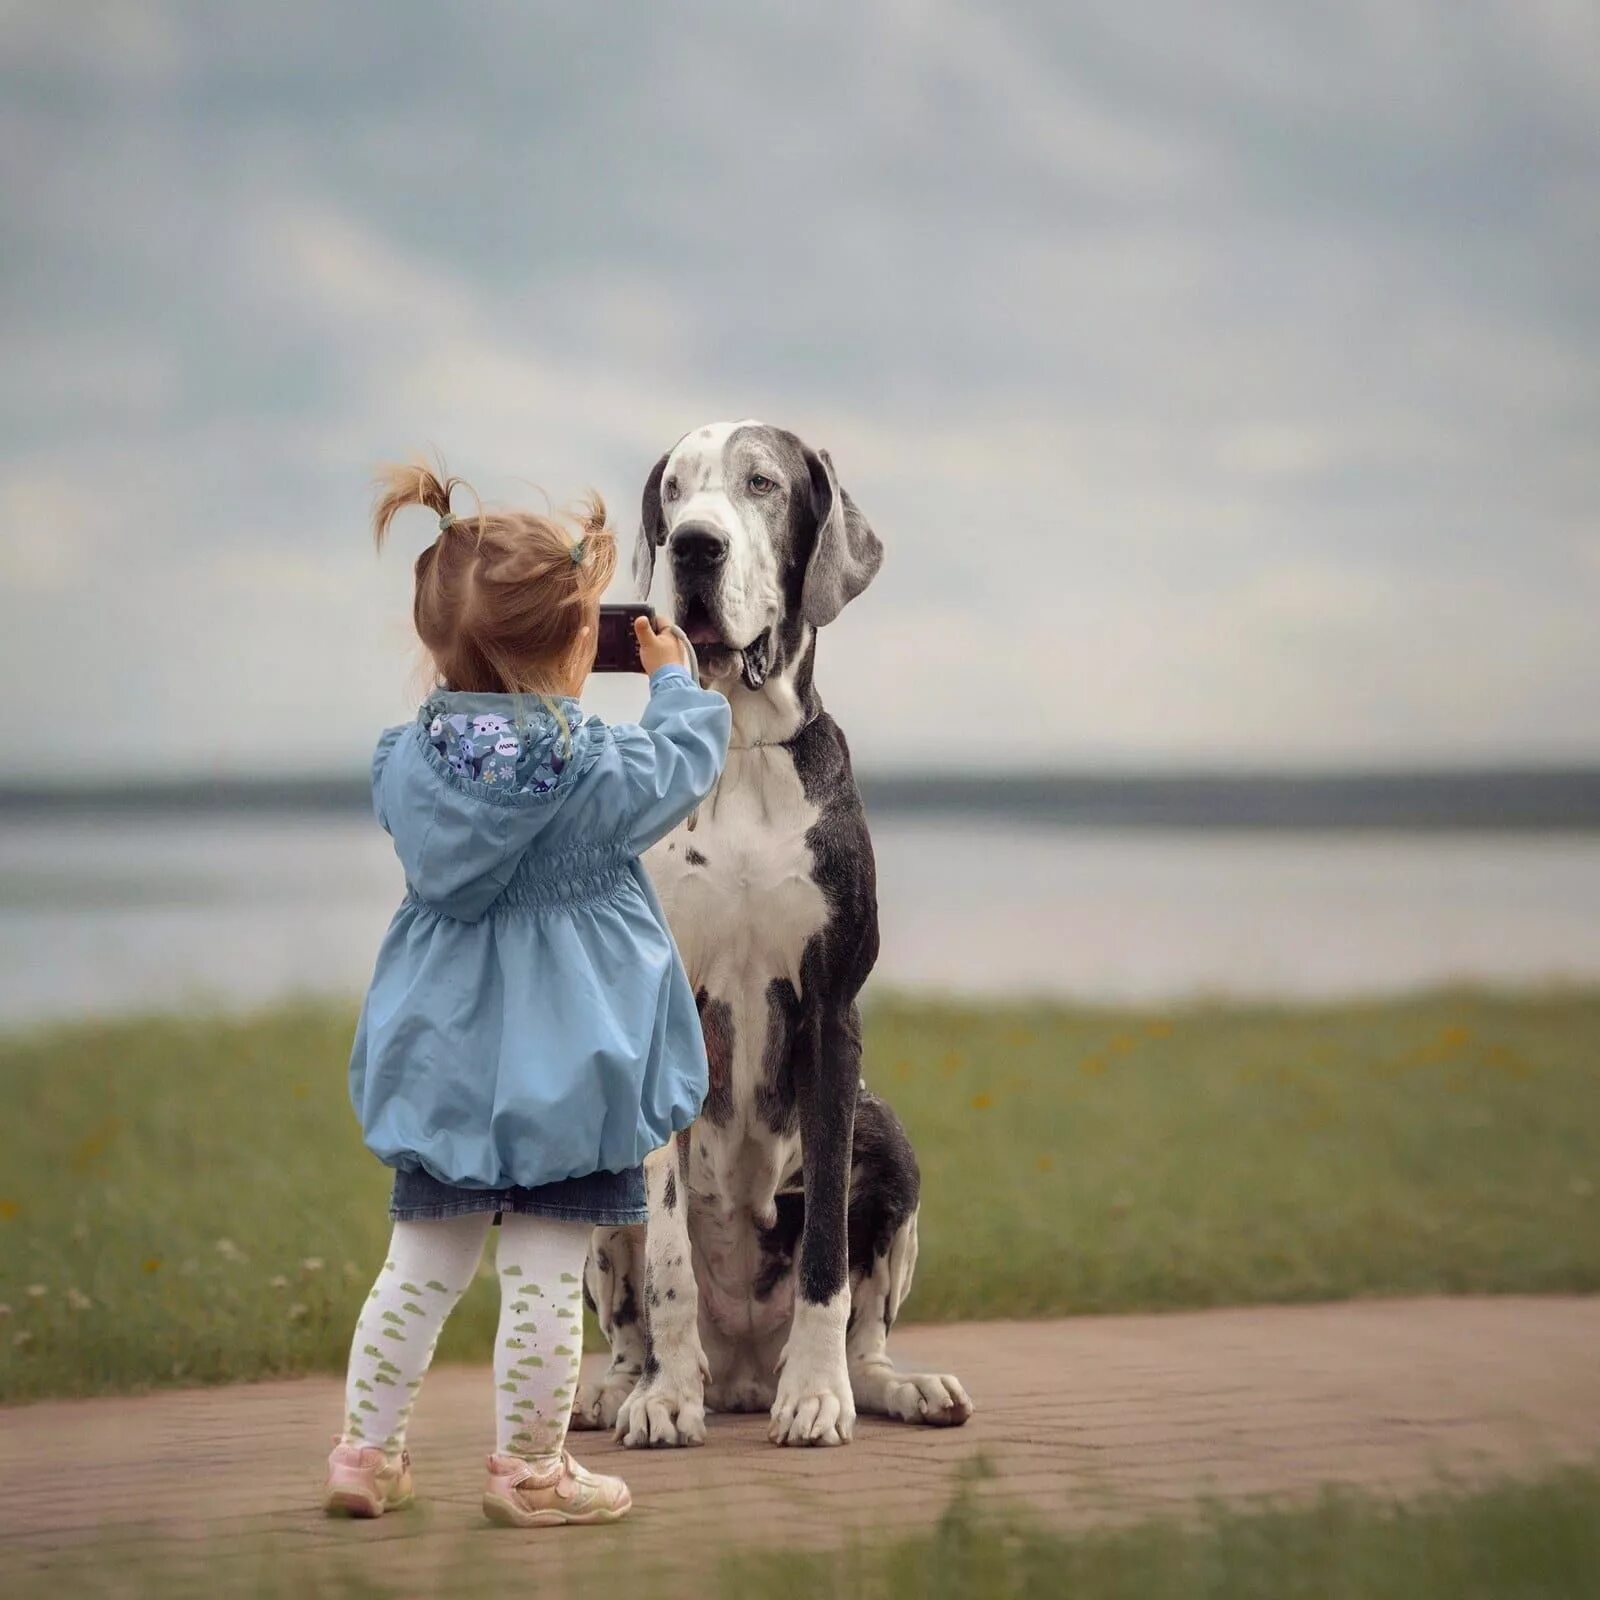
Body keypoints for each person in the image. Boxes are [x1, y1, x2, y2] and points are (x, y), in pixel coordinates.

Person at [323, 460, 729, 1528]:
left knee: (418, 1266)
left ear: (439, 641)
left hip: (444, 1056)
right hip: (571, 1063)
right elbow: (681, 764)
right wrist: (675, 683)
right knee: (545, 1272)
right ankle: (530, 1472)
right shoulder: (593, 767)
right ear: (570, 645)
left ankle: (365, 1455)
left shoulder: (406, 761)